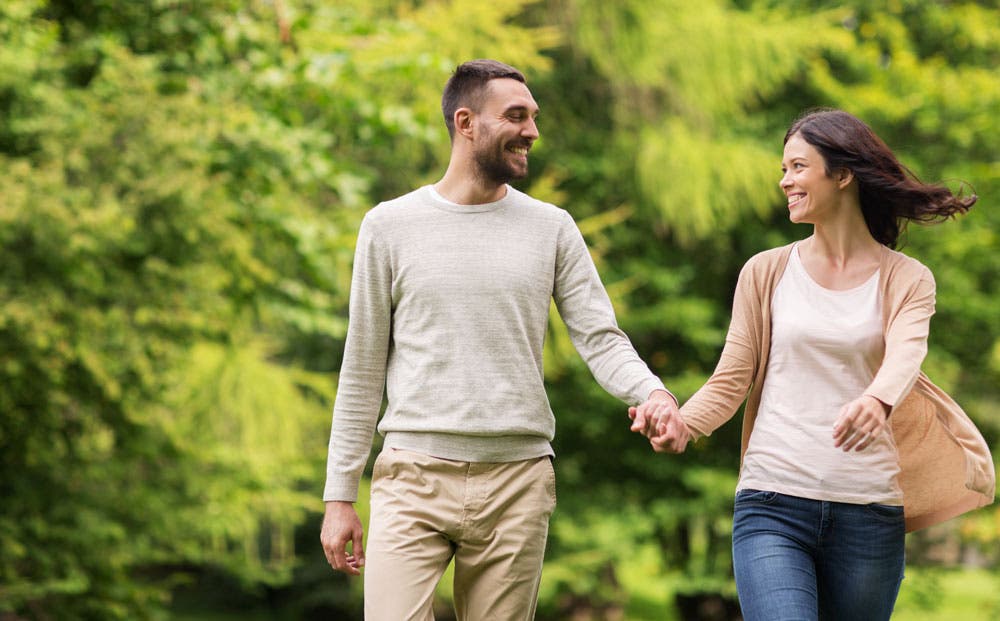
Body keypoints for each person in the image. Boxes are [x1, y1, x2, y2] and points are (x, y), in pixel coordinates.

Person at [320, 59, 678, 620]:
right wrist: (339, 494)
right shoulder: (388, 226)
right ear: (466, 123)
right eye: (516, 116)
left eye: (533, 117)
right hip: (413, 476)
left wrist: (652, 393)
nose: (532, 131)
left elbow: (601, 337)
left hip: (518, 481)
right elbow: (362, 367)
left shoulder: (552, 227)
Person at [632, 108, 995, 620]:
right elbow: (733, 378)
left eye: (798, 167)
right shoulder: (766, 271)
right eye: (784, 169)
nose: (785, 181)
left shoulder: (908, 279)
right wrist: (684, 423)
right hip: (771, 501)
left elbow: (906, 352)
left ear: (843, 174)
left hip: (868, 513)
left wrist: (878, 398)